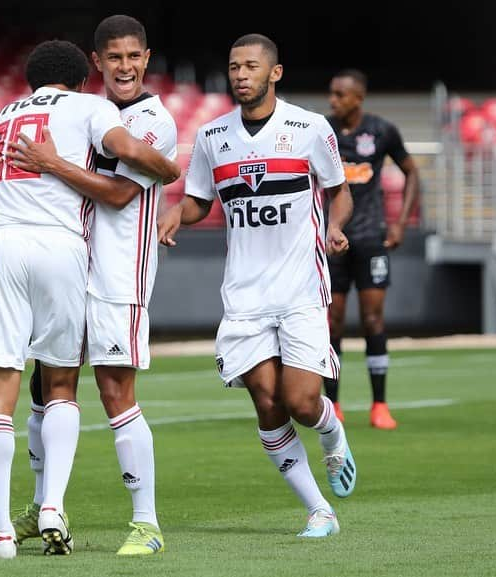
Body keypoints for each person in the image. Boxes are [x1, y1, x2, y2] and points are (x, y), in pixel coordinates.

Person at [0, 39, 179, 560]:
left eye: (132, 57)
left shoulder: (3, 112)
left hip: (31, 251)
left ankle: (138, 521)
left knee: (12, 382)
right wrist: (170, 170)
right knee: (55, 385)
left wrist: (41, 163)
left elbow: (118, 190)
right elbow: (130, 154)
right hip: (63, 249)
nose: (123, 68)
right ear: (89, 71)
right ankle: (48, 505)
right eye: (113, 59)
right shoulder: (93, 108)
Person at [157, 33, 357, 538]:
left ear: (275, 73)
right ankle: (319, 511)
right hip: (244, 296)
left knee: (302, 402)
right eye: (233, 67)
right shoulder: (210, 137)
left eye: (250, 66)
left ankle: (332, 432)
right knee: (267, 403)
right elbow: (201, 201)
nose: (240, 74)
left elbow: (339, 192)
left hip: (300, 290)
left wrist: (335, 227)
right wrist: (177, 212)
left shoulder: (310, 128)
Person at [324, 69, 420, 429]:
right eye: (331, 94)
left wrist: (400, 223)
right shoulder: (322, 130)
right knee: (331, 321)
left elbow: (411, 171)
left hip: (370, 239)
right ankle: (332, 404)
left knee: (372, 320)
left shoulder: (381, 131)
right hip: (332, 241)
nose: (333, 101)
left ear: (358, 98)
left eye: (340, 95)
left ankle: (379, 404)